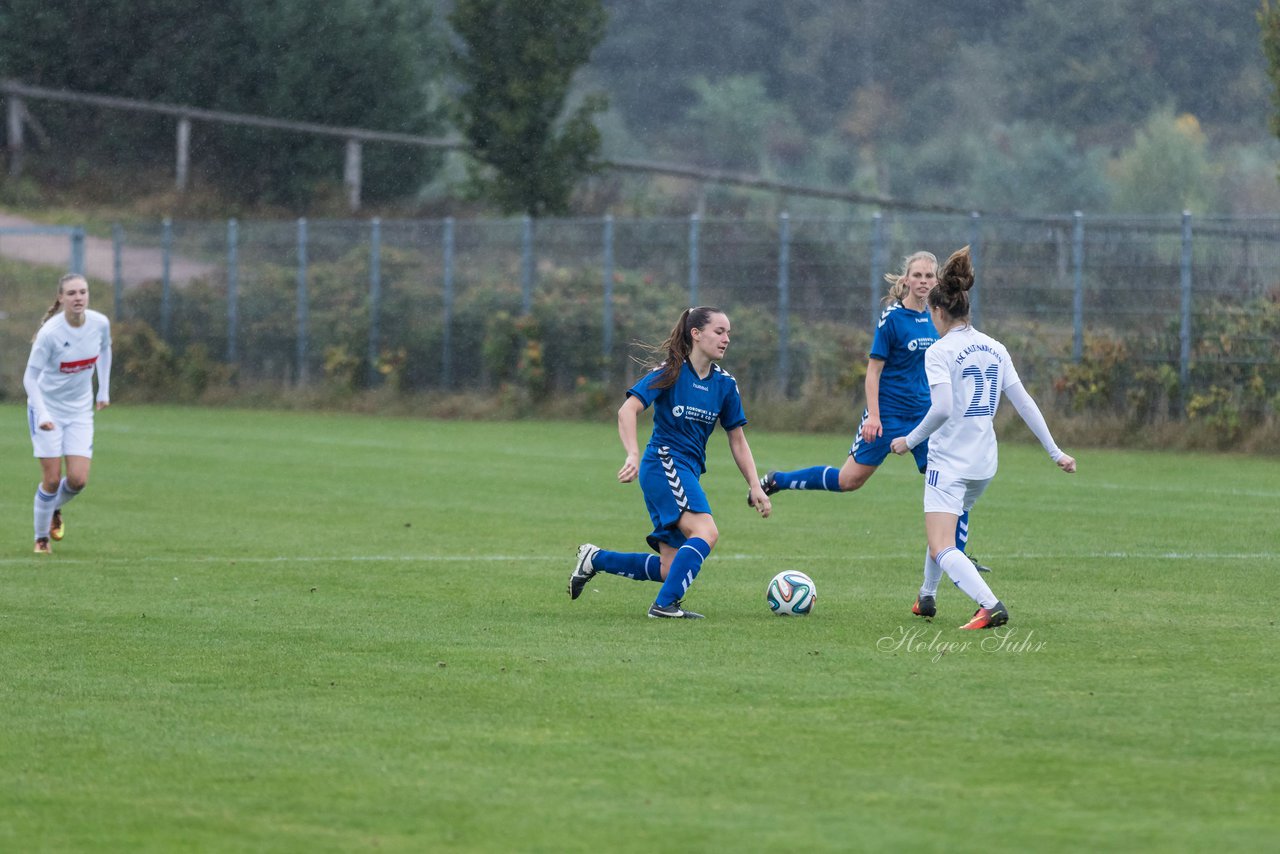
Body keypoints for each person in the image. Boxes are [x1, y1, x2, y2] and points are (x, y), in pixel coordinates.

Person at [890, 246, 1076, 629]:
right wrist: (1055, 452)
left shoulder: (940, 351)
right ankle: (926, 597)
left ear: (938, 312)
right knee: (940, 528)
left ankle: (989, 604)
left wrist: (908, 441)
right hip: (984, 464)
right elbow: (1024, 403)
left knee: (943, 544)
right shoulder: (995, 347)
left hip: (950, 462)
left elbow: (941, 408)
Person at [568, 306, 771, 618]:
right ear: (696, 334)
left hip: (686, 470)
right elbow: (628, 410)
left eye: (729, 333)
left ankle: (595, 559)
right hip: (663, 464)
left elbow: (737, 439)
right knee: (706, 532)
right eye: (720, 331)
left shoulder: (725, 385)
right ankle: (664, 606)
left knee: (670, 568)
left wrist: (755, 485)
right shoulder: (670, 372)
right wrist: (632, 454)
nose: (727, 339)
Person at [24, 273, 112, 554]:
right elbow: (29, 378)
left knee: (78, 479)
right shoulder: (51, 333)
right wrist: (43, 414)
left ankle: (53, 508)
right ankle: (41, 539)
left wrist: (103, 390)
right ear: (61, 298)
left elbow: (105, 350)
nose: (78, 298)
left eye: (83, 292)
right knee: (51, 479)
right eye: (72, 293)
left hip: (79, 411)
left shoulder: (99, 324)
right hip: (47, 409)